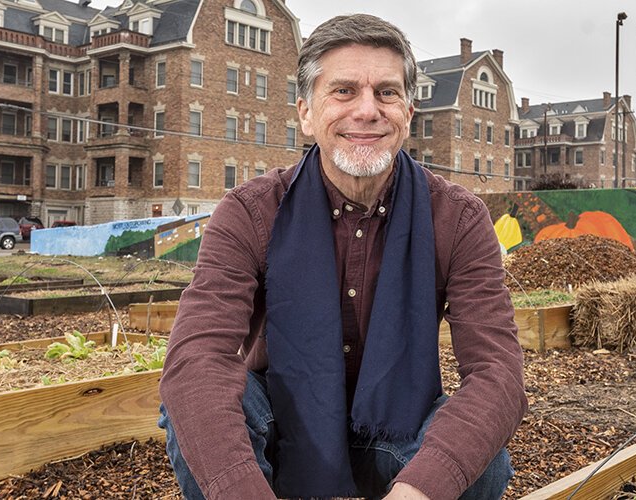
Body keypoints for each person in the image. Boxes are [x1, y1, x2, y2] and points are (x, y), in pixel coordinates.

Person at [158, 13, 525, 500]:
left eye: (387, 93)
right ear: (306, 113)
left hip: (397, 435)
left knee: (484, 461)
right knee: (200, 407)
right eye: (344, 91)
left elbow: (498, 373)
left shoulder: (457, 218)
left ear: (409, 113)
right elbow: (197, 357)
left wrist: (422, 489)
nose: (368, 110)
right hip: (284, 428)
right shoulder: (250, 211)